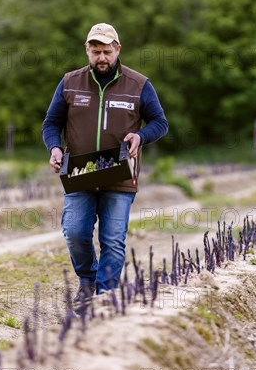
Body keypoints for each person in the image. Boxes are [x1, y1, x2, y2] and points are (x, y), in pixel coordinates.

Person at [42, 23, 168, 308]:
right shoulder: (70, 83)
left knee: (112, 240)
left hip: (120, 173)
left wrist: (140, 135)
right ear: (87, 50)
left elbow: (160, 123)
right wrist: (54, 147)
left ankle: (105, 296)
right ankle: (88, 281)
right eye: (96, 51)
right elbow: (51, 123)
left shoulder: (139, 85)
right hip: (80, 173)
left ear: (117, 50)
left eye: (107, 52)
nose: (101, 58)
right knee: (74, 232)